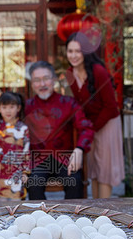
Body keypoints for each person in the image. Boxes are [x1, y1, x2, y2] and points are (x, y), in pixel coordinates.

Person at [23, 60, 94, 200]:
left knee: (74, 180)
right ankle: (40, 220)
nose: (42, 84)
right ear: (32, 84)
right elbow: (9, 123)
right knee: (33, 183)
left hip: (64, 158)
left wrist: (79, 149)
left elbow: (86, 128)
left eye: (46, 79)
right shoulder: (26, 106)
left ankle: (72, 219)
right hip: (38, 160)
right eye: (37, 80)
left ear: (54, 80)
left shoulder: (69, 103)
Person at [65, 32, 125, 198]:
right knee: (95, 170)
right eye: (70, 51)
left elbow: (111, 107)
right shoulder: (69, 73)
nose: (74, 55)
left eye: (78, 51)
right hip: (91, 126)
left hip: (107, 123)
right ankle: (96, 208)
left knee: (104, 171)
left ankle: (104, 213)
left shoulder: (98, 71)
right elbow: (77, 106)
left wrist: (92, 127)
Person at [0, 91, 30, 201]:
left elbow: (26, 152)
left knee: (16, 205)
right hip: (0, 172)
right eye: (4, 107)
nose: (8, 110)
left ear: (18, 108)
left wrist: (25, 172)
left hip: (17, 172)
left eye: (12, 107)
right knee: (1, 205)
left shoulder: (23, 128)